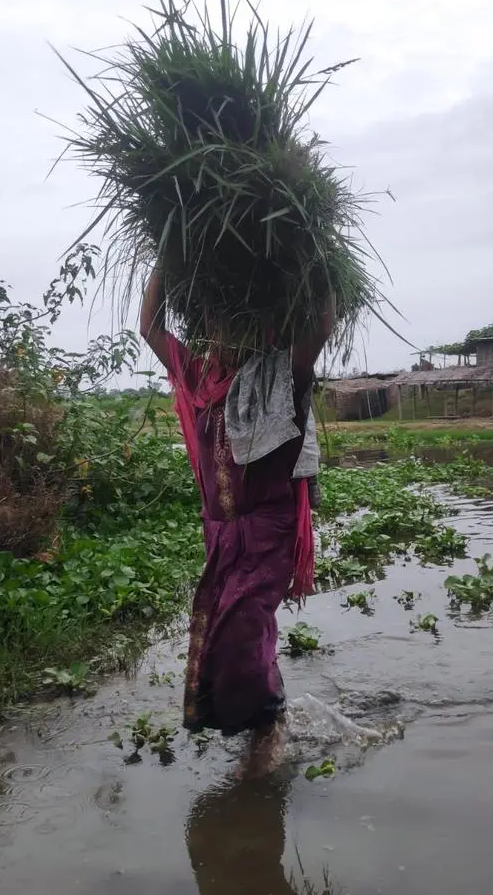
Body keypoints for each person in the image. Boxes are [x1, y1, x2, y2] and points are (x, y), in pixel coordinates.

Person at [140, 268, 333, 777]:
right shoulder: (200, 380)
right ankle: (267, 718)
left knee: (242, 631)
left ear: (252, 328)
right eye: (210, 323)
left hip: (268, 531)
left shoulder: (278, 377)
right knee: (219, 632)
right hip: (222, 535)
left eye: (228, 324)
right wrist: (167, 255)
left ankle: (269, 726)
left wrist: (313, 257)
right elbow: (150, 328)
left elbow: (321, 325)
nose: (218, 333)